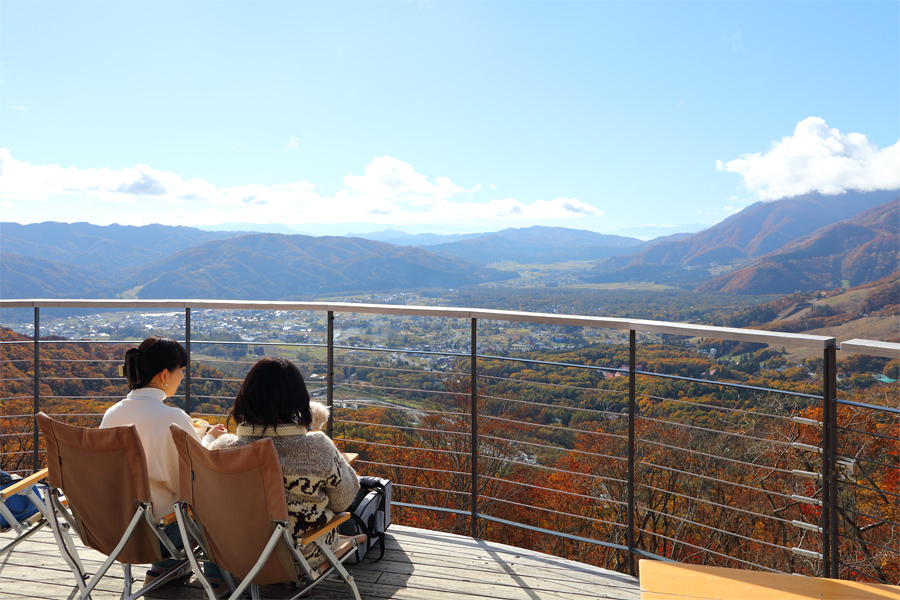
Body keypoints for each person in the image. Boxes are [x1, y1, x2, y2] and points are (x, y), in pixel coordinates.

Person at [209, 356, 360, 571]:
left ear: (246, 397)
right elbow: (342, 503)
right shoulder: (318, 448)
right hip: (301, 556)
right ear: (298, 400)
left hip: (236, 556)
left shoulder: (222, 448)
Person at [100, 335, 226, 585]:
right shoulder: (173, 418)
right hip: (158, 535)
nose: (182, 377)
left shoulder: (112, 414)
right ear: (164, 375)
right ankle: (217, 579)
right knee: (215, 500)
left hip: (113, 530)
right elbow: (195, 480)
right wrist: (211, 441)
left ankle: (164, 570)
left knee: (161, 500)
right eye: (181, 371)